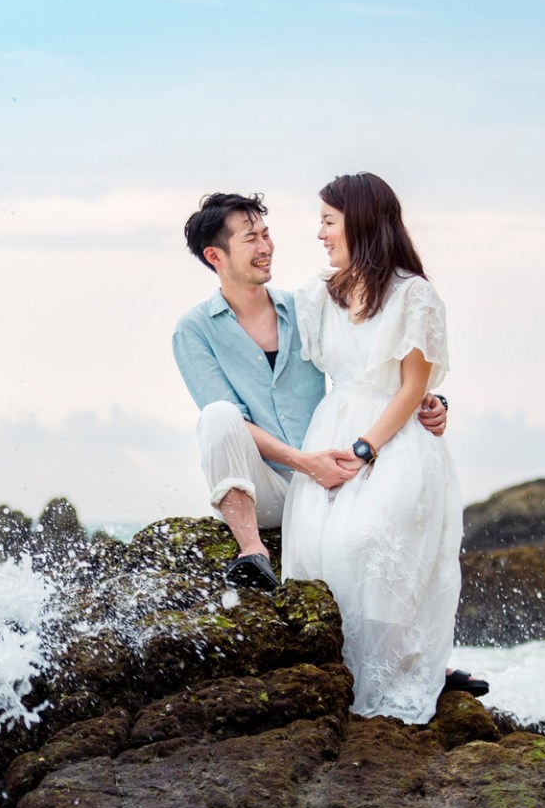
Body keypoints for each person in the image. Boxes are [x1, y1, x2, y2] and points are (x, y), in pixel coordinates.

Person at [172, 192, 446, 589]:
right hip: (264, 487)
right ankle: (254, 552)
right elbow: (233, 426)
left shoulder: (305, 306)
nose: (265, 247)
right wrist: (304, 462)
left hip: (331, 476)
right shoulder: (194, 330)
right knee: (217, 416)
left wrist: (428, 400)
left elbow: (361, 360)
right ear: (216, 257)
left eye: (267, 234)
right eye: (251, 238)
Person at [277, 172, 472, 724]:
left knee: (366, 539)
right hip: (330, 432)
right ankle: (345, 680)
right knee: (317, 549)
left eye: (328, 221)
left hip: (395, 439)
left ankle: (396, 681)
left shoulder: (415, 295)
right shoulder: (317, 296)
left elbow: (414, 387)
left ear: (359, 223)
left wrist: (365, 450)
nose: (319, 234)